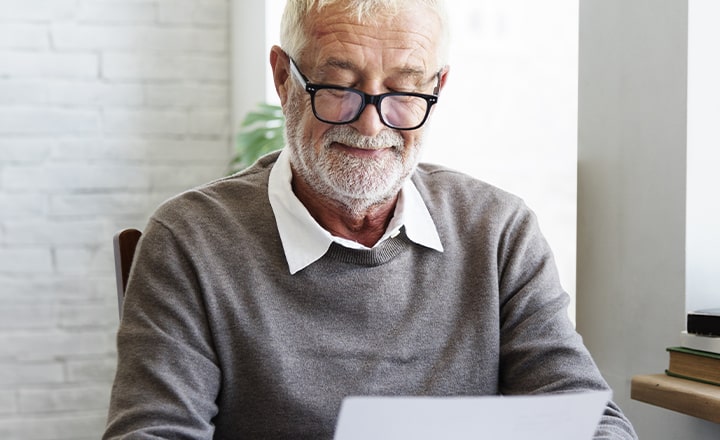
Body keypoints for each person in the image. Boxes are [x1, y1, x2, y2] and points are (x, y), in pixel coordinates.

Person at [104, 0, 638, 438]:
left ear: (438, 87)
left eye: (404, 90)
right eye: (339, 87)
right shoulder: (190, 240)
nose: (370, 123)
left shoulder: (499, 230)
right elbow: (153, 433)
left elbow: (592, 422)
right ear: (283, 78)